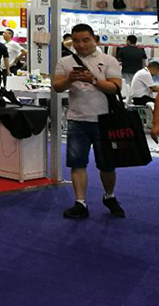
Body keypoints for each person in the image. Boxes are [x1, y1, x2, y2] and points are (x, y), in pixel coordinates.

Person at [51, 24, 125, 220]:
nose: (81, 45)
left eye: (85, 40)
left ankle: (109, 196)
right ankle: (80, 202)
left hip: (104, 119)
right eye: (76, 41)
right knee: (77, 163)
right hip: (77, 119)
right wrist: (69, 79)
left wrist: (93, 80)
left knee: (107, 164)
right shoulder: (65, 62)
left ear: (95, 40)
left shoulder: (108, 60)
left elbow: (115, 87)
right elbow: (57, 87)